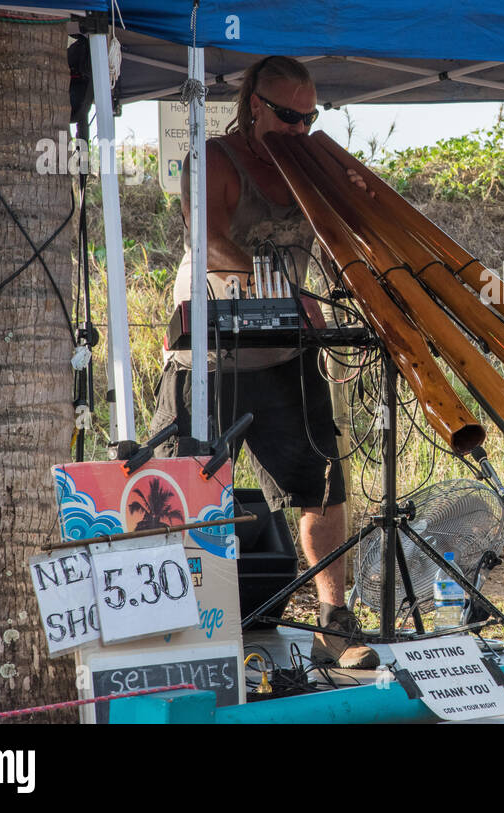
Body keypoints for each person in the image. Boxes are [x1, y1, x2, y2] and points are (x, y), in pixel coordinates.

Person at [149, 55, 378, 669]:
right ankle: (168, 631)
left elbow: (341, 234)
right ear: (254, 104)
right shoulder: (215, 160)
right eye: (287, 117)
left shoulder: (307, 160)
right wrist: (277, 290)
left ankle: (334, 622)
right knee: (176, 491)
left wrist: (358, 201)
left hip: (285, 350)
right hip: (208, 348)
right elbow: (208, 239)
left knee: (323, 486)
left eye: (310, 118)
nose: (300, 129)